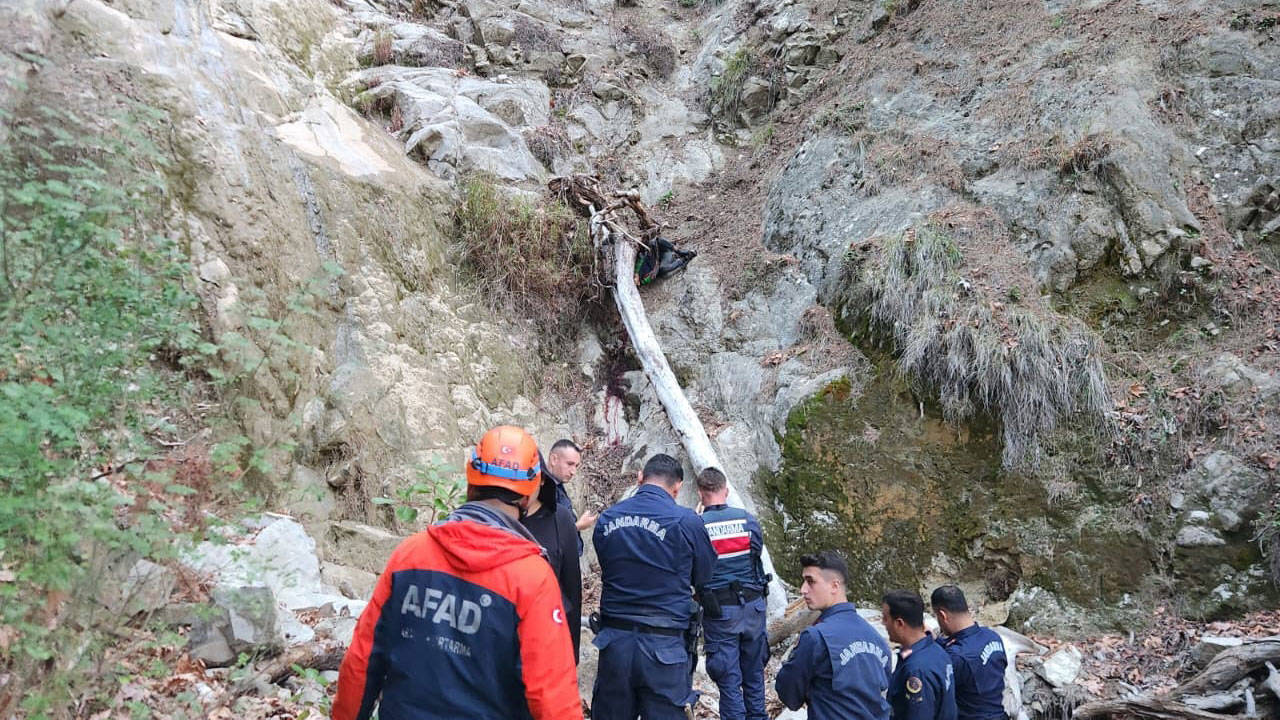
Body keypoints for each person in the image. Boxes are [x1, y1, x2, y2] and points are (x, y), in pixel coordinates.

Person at [333, 426, 582, 720]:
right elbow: (553, 698)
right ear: (528, 497)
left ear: (470, 482)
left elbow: (362, 662)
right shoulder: (531, 578)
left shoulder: (410, 555)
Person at [591, 453, 716, 719]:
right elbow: (705, 578)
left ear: (639, 478)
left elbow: (607, 565)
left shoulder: (607, 519)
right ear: (677, 487)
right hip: (665, 646)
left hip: (615, 642)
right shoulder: (687, 522)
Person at [776, 551, 892, 720]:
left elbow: (789, 694)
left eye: (810, 581)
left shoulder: (816, 637)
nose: (803, 590)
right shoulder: (876, 639)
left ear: (834, 586)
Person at [696, 467, 769, 720]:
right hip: (754, 608)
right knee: (754, 676)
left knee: (728, 682)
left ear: (700, 493)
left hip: (721, 613)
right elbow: (756, 557)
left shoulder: (698, 526)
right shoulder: (747, 520)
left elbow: (694, 569)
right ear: (725, 490)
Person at [522, 458, 583, 662]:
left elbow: (572, 589)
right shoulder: (492, 520)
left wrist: (571, 656)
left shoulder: (560, 519)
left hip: (546, 642)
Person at [930, 585, 1007, 720]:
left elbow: (935, 695)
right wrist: (936, 641)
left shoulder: (957, 657)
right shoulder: (992, 636)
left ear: (943, 615)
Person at [881, 590, 957, 720]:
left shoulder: (916, 670)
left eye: (885, 618)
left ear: (899, 623)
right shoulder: (936, 650)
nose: (883, 623)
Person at [543, 439, 598, 538]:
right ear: (553, 459)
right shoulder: (542, 489)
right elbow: (546, 534)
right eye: (569, 464)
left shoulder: (557, 484)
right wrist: (578, 526)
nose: (573, 472)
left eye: (576, 466)